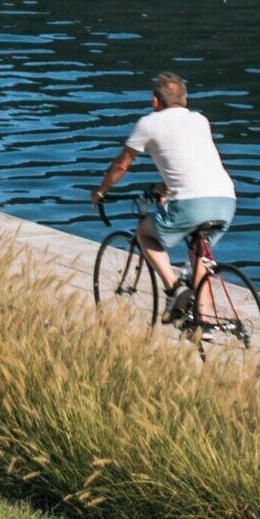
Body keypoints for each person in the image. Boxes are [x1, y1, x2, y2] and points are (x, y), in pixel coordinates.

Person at [92, 72, 241, 329]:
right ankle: (202, 321)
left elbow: (121, 165)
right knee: (200, 255)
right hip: (226, 200)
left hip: (192, 203)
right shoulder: (200, 120)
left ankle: (174, 289)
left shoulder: (149, 123)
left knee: (143, 233)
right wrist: (165, 186)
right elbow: (191, 162)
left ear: (155, 101)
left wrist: (101, 191)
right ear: (185, 100)